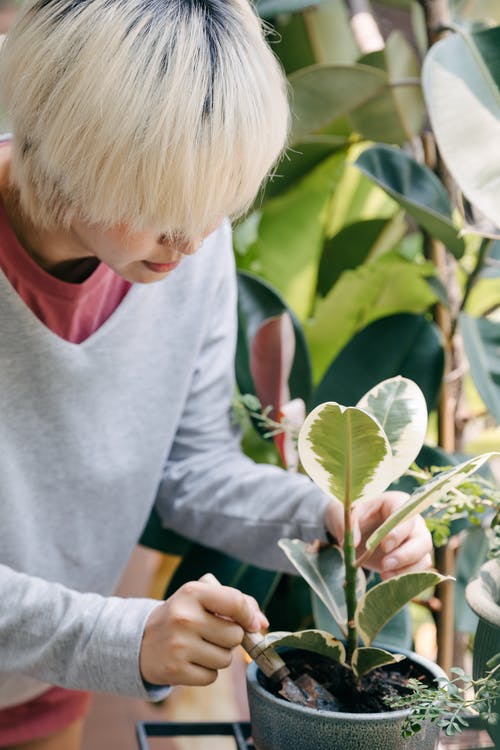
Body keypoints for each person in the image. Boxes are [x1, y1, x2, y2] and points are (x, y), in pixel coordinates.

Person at [0, 0, 433, 747]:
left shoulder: (185, 240)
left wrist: (328, 517)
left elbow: (192, 470)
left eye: (213, 205)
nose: (194, 241)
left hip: (45, 693)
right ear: (75, 144)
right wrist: (127, 638)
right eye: (165, 204)